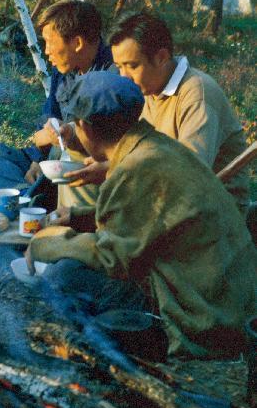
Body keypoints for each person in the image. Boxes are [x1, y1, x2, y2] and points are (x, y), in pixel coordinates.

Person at [26, 72, 256, 359]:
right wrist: (77, 217)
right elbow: (152, 217)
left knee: (66, 275)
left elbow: (113, 259)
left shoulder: (133, 169)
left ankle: (106, 350)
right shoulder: (155, 146)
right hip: (233, 302)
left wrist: (47, 243)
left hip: (206, 317)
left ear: (84, 128)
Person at [63, 12, 250, 213]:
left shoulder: (197, 93)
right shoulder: (146, 88)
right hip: (160, 190)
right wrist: (74, 133)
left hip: (209, 209)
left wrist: (114, 168)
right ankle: (80, 230)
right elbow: (113, 133)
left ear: (161, 57)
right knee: (75, 159)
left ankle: (94, 237)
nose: (124, 76)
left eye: (132, 66)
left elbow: (190, 172)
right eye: (119, 67)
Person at [0, 0, 113, 204]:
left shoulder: (115, 75)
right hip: (53, 160)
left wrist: (60, 140)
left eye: (50, 42)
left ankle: (32, 198)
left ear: (77, 43)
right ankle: (29, 196)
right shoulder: (63, 70)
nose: (46, 51)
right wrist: (37, 160)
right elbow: (50, 118)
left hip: (85, 165)